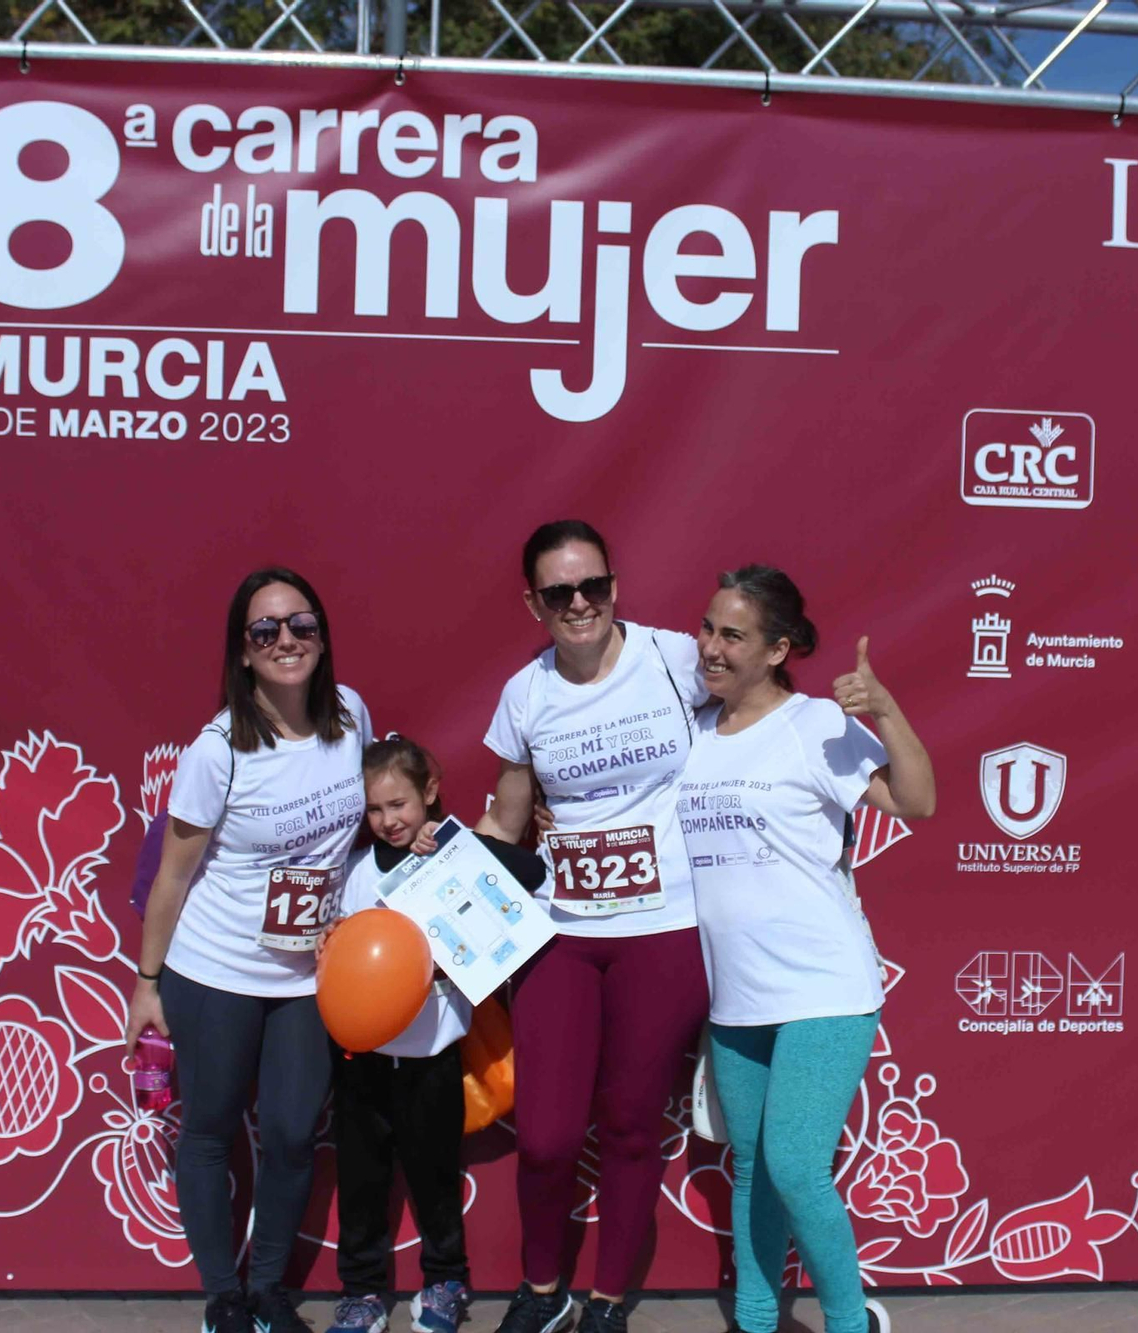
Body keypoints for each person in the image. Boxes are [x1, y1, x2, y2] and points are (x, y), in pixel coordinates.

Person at [679, 566, 935, 1333]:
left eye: (733, 635)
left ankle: (853, 1324)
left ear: (778, 647)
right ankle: (756, 1321)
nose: (712, 647)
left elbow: (917, 801)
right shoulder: (694, 733)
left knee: (793, 1165)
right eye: (708, 628)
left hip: (825, 988)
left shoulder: (815, 723)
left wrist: (886, 711)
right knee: (754, 1169)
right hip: (737, 999)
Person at [474, 520, 711, 1333]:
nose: (581, 603)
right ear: (533, 603)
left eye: (594, 586)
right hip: (562, 933)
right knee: (544, 1133)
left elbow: (759, 713)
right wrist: (448, 875)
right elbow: (508, 823)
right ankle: (543, 1291)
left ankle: (608, 1299)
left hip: (667, 926)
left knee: (631, 1120)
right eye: (559, 592)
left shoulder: (677, 658)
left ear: (614, 584)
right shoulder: (525, 692)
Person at [126, 568, 372, 1333]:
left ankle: (268, 1289)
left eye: (299, 624)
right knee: (211, 1126)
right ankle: (222, 1298)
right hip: (217, 970)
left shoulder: (353, 715)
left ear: (322, 635)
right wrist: (147, 982)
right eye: (266, 630)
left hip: (306, 975)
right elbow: (172, 874)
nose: (286, 641)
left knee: (295, 1130)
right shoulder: (217, 751)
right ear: (243, 651)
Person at [324, 736, 547, 1333]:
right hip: (361, 1057)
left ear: (428, 793)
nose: (388, 821)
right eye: (374, 810)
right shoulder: (354, 870)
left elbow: (533, 871)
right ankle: (363, 1294)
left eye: (398, 805)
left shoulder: (450, 853)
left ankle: (445, 1283)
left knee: (436, 1177)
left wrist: (455, 840)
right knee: (362, 1180)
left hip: (433, 1055)